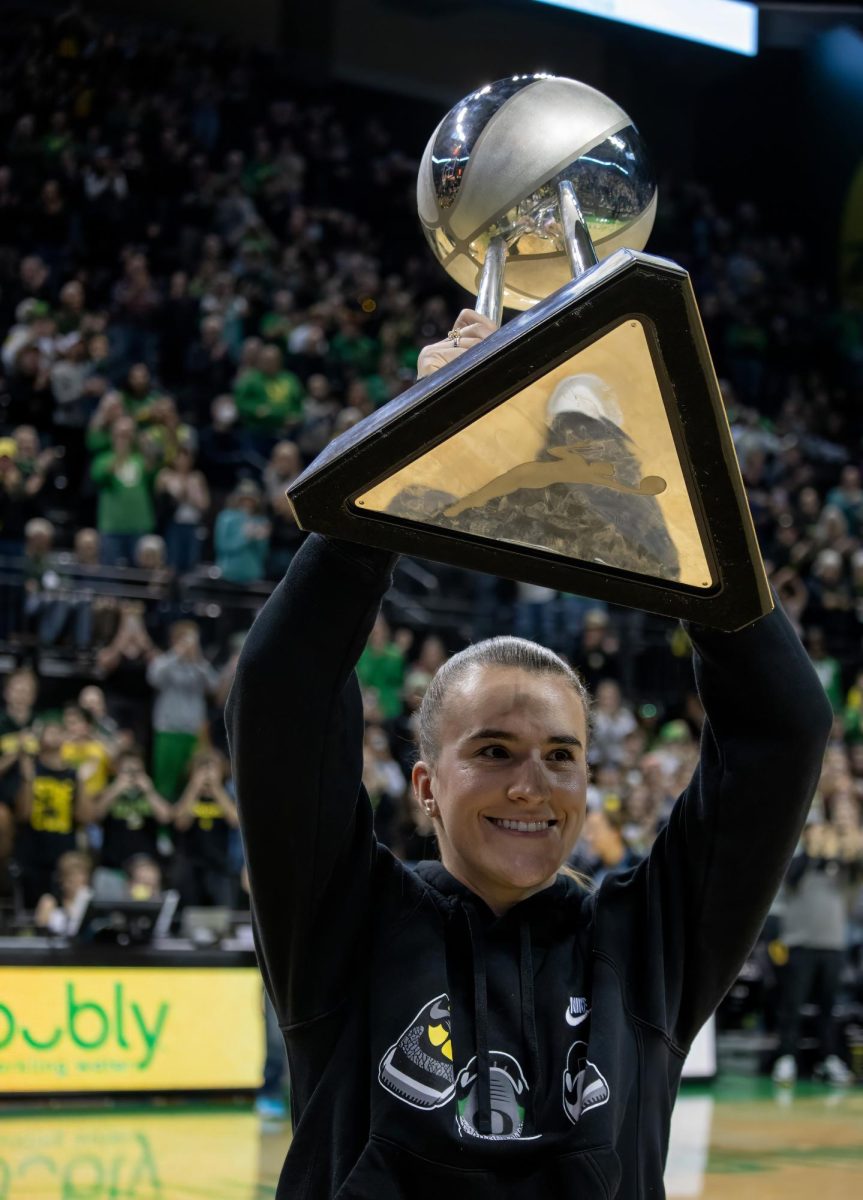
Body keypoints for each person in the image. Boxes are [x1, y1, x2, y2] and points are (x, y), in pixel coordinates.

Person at [226, 310, 833, 1198]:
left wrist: (674, 529)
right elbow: (284, 688)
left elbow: (784, 732)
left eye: (561, 755)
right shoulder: (342, 920)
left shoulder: (643, 945)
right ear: (426, 787)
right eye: (494, 749)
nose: (531, 783)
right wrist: (416, 446)